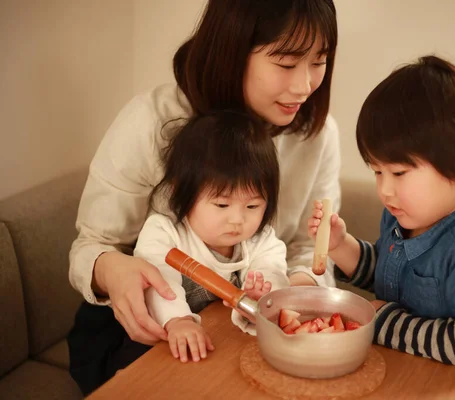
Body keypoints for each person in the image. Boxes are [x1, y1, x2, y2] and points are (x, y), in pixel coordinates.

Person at [67, 0, 339, 395]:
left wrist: (286, 292)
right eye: (285, 63)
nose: (304, 86)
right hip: (143, 333)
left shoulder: (316, 134)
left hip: (239, 330)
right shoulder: (152, 121)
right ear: (232, 49)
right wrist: (111, 270)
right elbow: (91, 246)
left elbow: (311, 249)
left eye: (319, 61)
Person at [309, 55, 455, 367]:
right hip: (401, 373)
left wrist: (384, 323)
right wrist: (340, 246)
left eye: (399, 173)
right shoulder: (401, 214)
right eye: (377, 172)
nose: (384, 190)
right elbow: (388, 275)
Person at [136, 111, 289, 364]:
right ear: (181, 191)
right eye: (221, 205)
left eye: (252, 207)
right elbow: (158, 282)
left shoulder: (259, 239)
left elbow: (273, 270)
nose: (238, 220)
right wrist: (179, 321)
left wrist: (262, 296)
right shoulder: (164, 232)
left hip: (211, 334)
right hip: (147, 334)